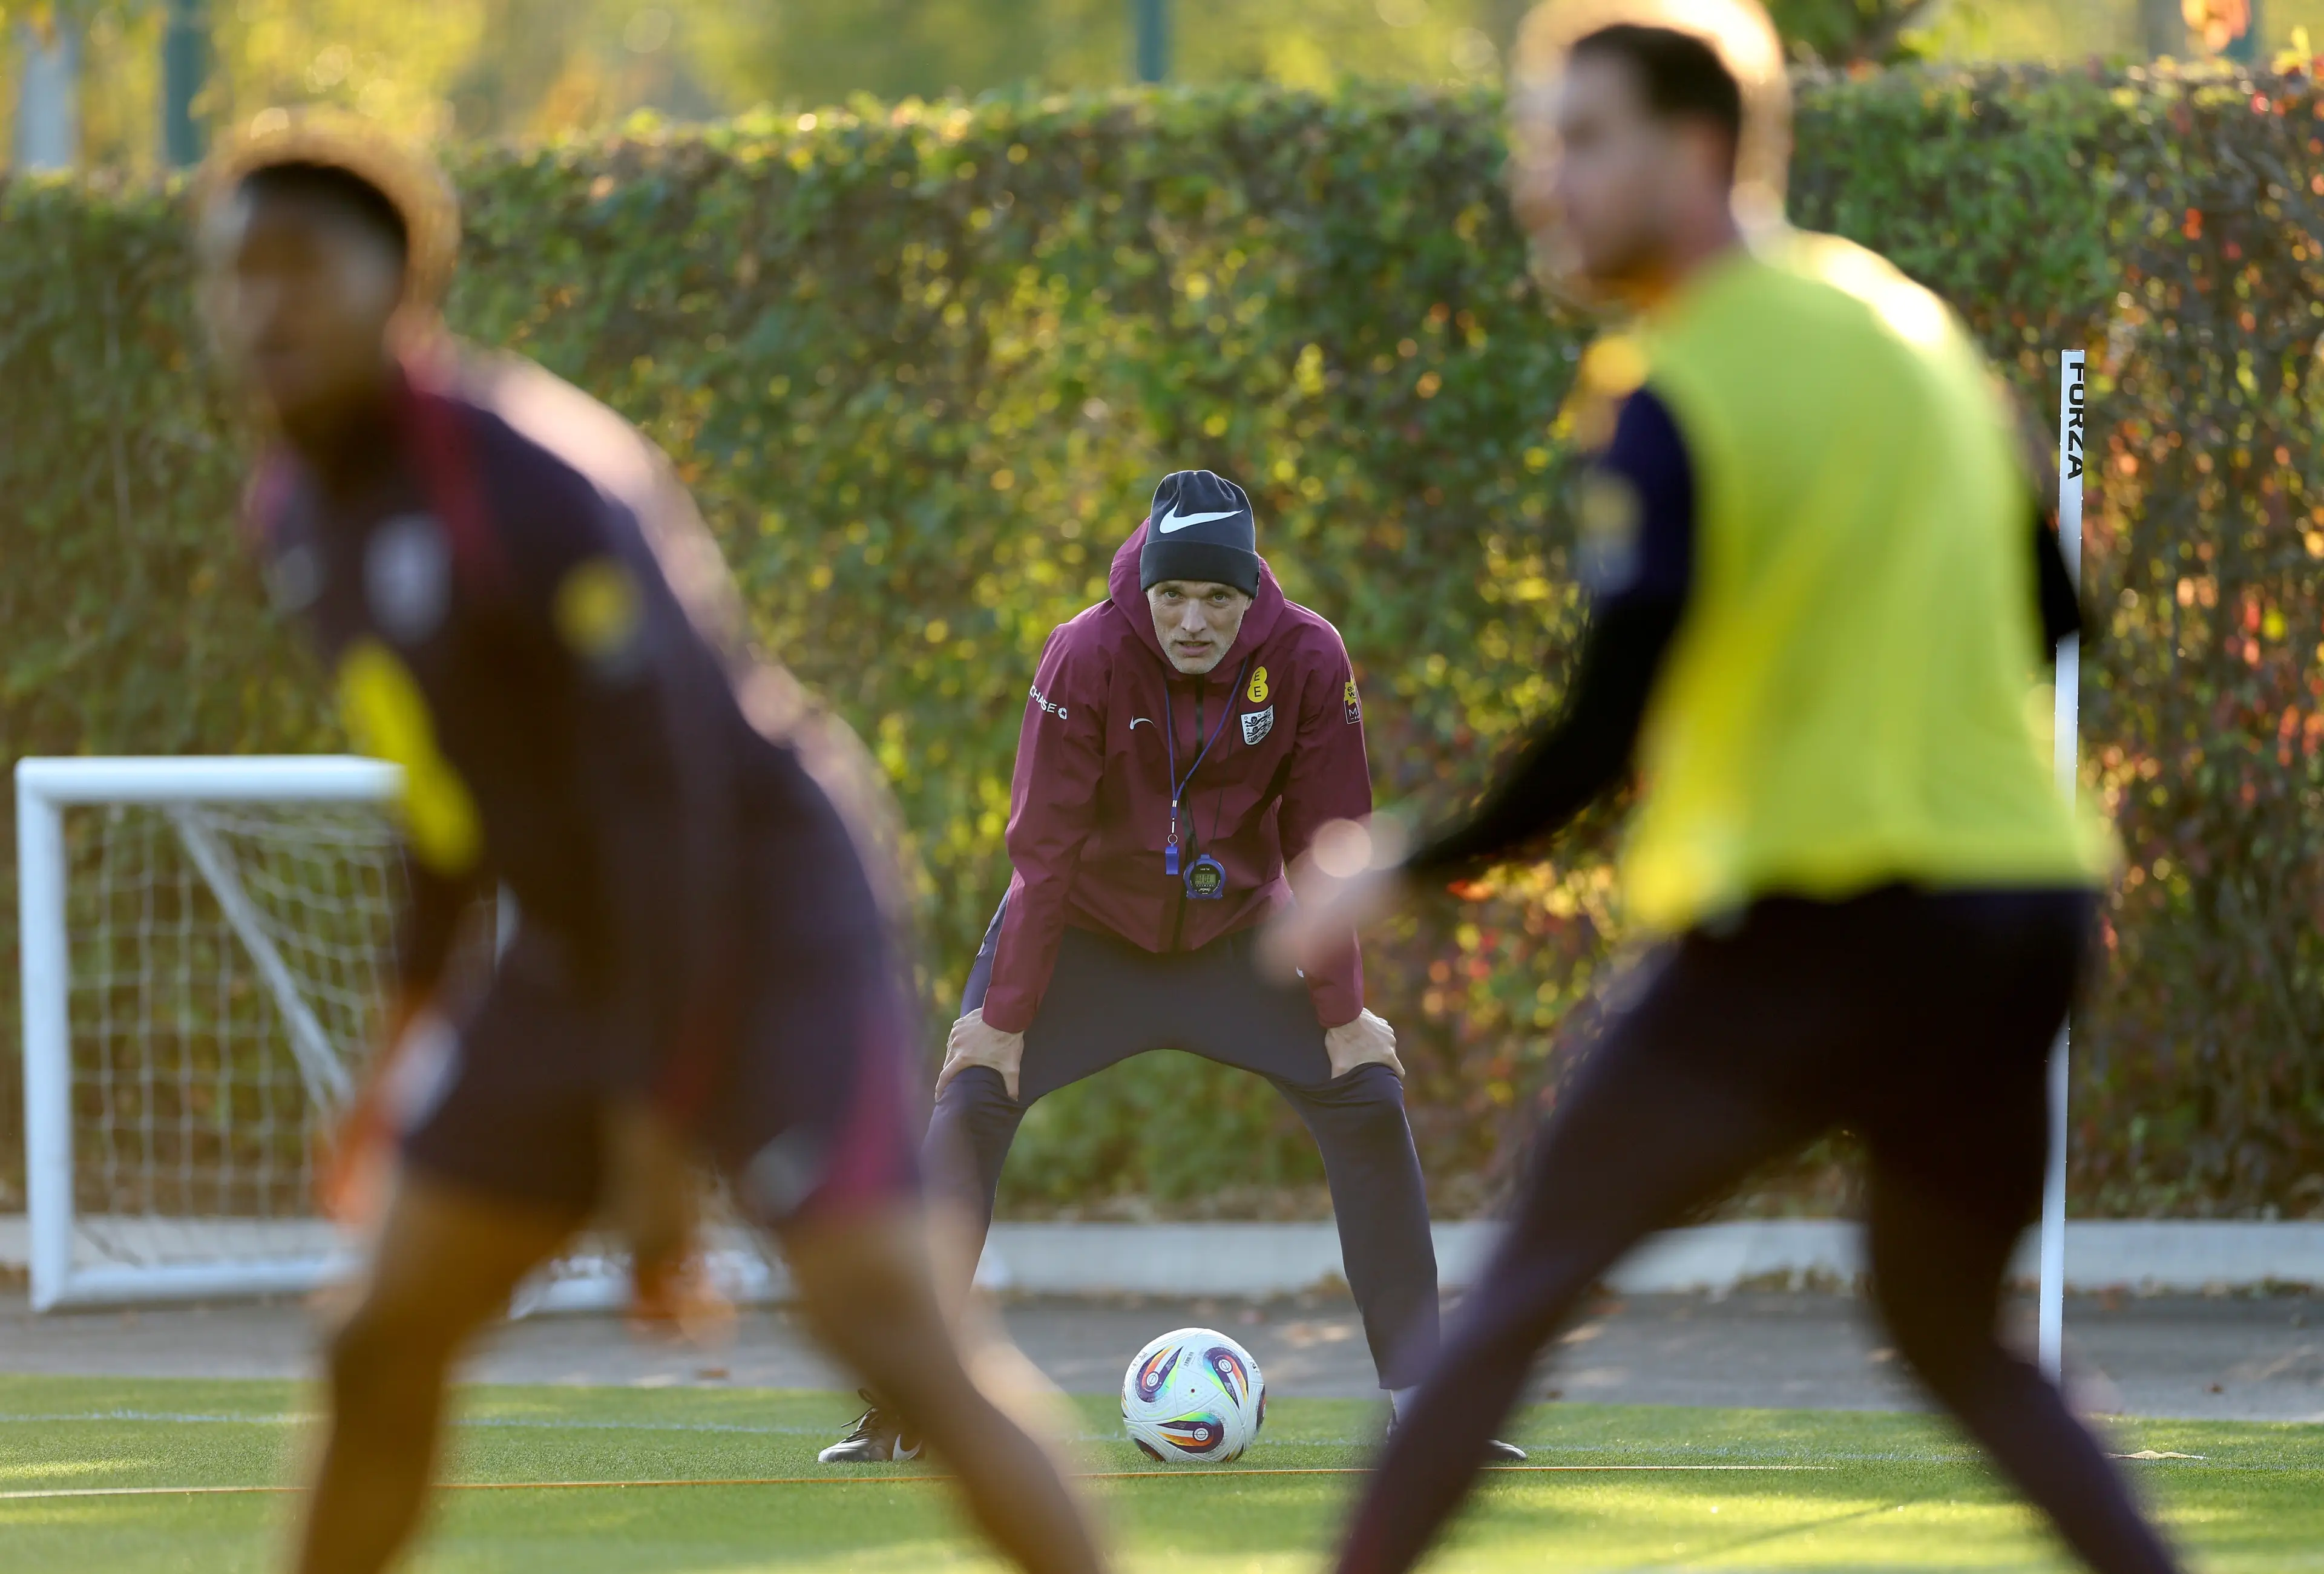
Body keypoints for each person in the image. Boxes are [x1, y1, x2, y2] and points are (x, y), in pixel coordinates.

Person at [1264, 4, 2186, 1572]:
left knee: (1518, 1299)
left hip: (1811, 933)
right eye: (1537, 143)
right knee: (1954, 1334)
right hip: (2017, 917)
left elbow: (1608, 720)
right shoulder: (1909, 328)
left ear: (1699, 148)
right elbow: (2058, 613)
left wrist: (1400, 862)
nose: (1542, 181)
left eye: (1580, 139)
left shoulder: (1670, 383)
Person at [195, 113, 1107, 1574]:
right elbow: (443, 807)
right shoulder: (299, 514)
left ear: (402, 289)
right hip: (580, 949)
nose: (261, 307)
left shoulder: (538, 484)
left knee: (889, 1329)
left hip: (762, 911)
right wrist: (392, 1057)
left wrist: (648, 1136)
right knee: (379, 1340)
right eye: (233, 273)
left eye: (301, 268)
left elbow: (664, 814)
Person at [819, 469, 1522, 1464]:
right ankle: (905, 1407)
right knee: (973, 1096)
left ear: (1251, 595)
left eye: (1218, 599)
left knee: (1367, 1094)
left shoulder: (1309, 657)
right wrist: (1007, 1016)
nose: (1194, 621)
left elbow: (1330, 848)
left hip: (1239, 939)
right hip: (1085, 938)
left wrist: (1343, 1011)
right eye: (1174, 597)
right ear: (1145, 588)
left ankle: (1427, 1408)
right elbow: (1043, 853)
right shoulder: (1084, 653)